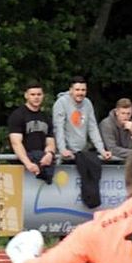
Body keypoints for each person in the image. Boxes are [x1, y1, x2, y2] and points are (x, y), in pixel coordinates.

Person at [52, 76, 111, 208]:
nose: (80, 93)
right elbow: (58, 128)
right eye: (77, 89)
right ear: (71, 90)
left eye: (83, 90)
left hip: (82, 151)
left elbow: (92, 128)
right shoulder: (61, 103)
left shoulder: (88, 103)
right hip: (65, 153)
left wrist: (102, 150)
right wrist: (62, 149)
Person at [7, 81, 56, 184]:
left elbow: (50, 141)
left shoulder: (46, 117)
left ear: (43, 96)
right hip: (21, 167)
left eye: (39, 94)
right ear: (26, 95)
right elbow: (16, 143)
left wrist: (49, 154)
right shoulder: (18, 115)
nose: (36, 97)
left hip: (41, 164)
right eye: (33, 94)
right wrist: (28, 163)